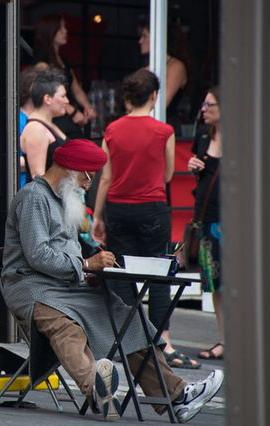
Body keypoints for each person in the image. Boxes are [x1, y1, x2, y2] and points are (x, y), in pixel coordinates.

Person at [2, 139, 223, 422]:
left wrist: (90, 268)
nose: (89, 183)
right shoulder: (34, 196)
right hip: (33, 288)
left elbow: (66, 251)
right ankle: (96, 386)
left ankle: (177, 397)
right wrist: (84, 265)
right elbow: (37, 255)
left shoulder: (62, 198)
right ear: (71, 169)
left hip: (66, 284)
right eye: (88, 175)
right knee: (66, 328)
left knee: (127, 318)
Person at [92, 69, 200, 370]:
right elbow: (167, 175)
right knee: (160, 275)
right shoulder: (164, 131)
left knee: (122, 274)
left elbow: (106, 178)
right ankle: (160, 341)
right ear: (154, 96)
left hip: (118, 208)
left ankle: (132, 338)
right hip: (152, 208)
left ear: (127, 97)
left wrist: (97, 216)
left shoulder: (112, 130)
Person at [188, 87, 224, 360]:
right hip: (207, 219)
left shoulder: (242, 141)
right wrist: (193, 166)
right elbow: (201, 173)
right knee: (216, 284)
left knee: (237, 283)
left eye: (209, 104)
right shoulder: (202, 136)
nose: (203, 109)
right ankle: (225, 340)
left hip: (234, 221)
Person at [33, 14, 97, 139]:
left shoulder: (64, 61)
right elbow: (48, 92)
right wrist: (72, 112)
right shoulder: (42, 61)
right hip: (57, 118)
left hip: (69, 116)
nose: (65, 31)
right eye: (60, 28)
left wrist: (88, 107)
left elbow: (77, 90)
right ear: (50, 31)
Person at [138, 21, 192, 135]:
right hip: (143, 126)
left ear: (157, 38)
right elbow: (129, 101)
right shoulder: (143, 70)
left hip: (166, 126)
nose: (140, 41)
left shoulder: (176, 66)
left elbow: (163, 102)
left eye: (144, 36)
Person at [20, 67, 68, 181]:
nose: (67, 101)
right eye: (63, 96)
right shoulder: (36, 129)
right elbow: (38, 177)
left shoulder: (49, 124)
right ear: (48, 99)